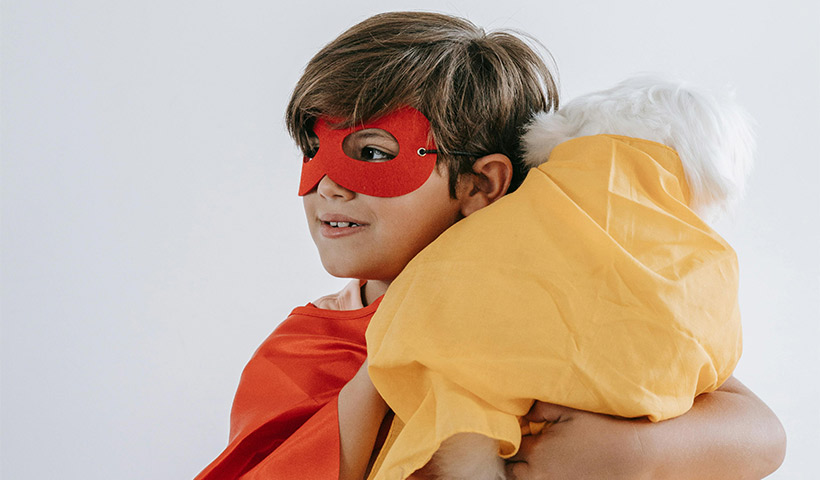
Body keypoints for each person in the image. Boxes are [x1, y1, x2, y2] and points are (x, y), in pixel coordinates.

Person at [195, 11, 785, 480]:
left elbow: (761, 432)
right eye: (312, 151)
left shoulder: (574, 298)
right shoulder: (305, 350)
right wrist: (404, 351)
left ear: (481, 185)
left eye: (373, 154)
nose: (328, 185)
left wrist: (634, 452)